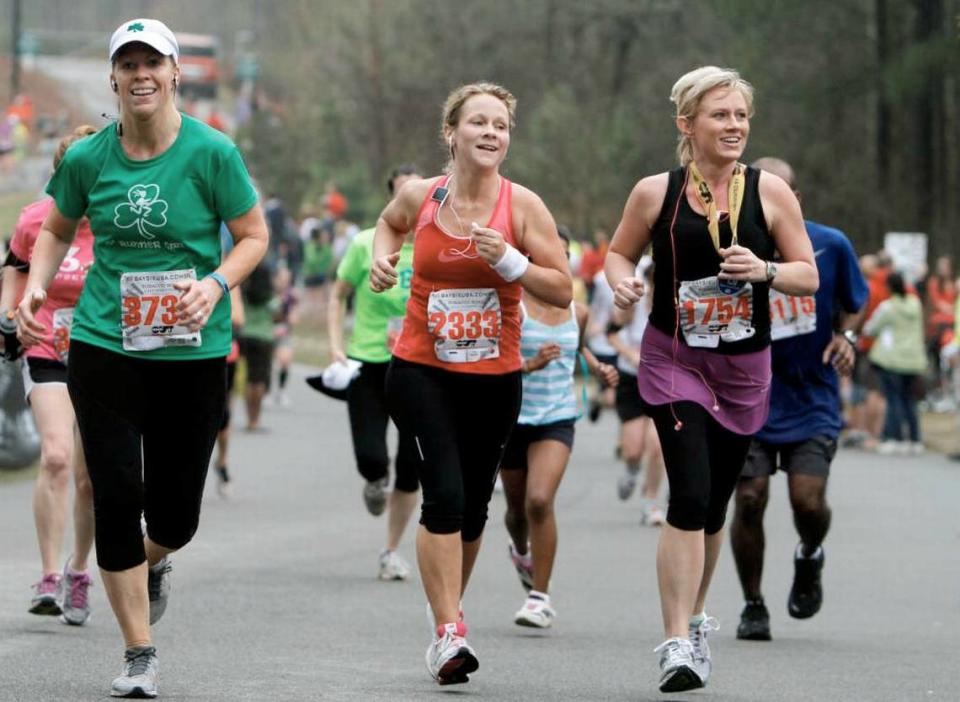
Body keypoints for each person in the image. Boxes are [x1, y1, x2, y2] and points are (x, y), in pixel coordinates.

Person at [15, 19, 268, 698]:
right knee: (117, 493)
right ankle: (138, 653)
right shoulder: (87, 158)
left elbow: (252, 236)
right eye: (127, 64)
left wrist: (215, 284)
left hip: (191, 350)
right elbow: (55, 229)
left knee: (176, 517)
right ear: (114, 80)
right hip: (103, 344)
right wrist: (38, 281)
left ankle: (153, 562)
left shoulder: (213, 153)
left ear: (175, 72)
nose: (140, 74)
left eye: (152, 61)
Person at [604, 66, 817, 693]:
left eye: (741, 116)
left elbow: (808, 274)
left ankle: (696, 618)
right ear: (687, 124)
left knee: (716, 504)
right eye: (720, 115)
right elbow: (620, 251)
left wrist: (768, 270)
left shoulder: (771, 192)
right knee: (689, 495)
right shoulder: (654, 192)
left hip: (744, 371)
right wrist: (623, 279)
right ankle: (675, 642)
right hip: (675, 359)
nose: (733, 126)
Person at [370, 82, 571, 685]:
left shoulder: (524, 206)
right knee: (447, 497)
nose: (490, 133)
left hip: (494, 374)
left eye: (501, 125)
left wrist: (509, 261)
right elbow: (388, 223)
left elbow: (561, 289)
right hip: (421, 370)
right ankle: (449, 632)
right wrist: (384, 259)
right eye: (478, 122)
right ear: (451, 133)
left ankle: (450, 615)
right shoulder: (422, 195)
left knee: (477, 509)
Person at [729, 157, 868, 642]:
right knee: (749, 497)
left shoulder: (830, 245)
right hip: (748, 393)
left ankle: (810, 553)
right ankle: (753, 604)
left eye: (776, 195)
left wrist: (847, 339)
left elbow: (854, 304)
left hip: (811, 396)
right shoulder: (729, 244)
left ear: (796, 199)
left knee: (807, 502)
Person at [1, 125, 98, 626]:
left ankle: (79, 571)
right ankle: (47, 576)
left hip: (103, 352)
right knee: (57, 456)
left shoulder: (116, 222)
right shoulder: (37, 219)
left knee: (89, 478)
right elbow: (15, 267)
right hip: (45, 346)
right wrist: (8, 316)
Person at [500, 230, 618, 628]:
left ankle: (539, 597)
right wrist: (528, 365)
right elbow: (493, 362)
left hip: (556, 416)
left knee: (538, 501)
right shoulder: (512, 305)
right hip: (512, 416)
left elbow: (576, 346)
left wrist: (598, 367)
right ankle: (520, 551)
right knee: (516, 510)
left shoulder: (577, 312)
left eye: (564, 254)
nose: (559, 261)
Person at [325, 164, 422, 580]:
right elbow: (337, 295)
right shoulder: (367, 244)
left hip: (420, 364)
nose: (409, 203)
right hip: (367, 359)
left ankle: (390, 549)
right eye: (401, 194)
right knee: (372, 456)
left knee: (412, 466)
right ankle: (373, 478)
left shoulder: (438, 245)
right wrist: (334, 348)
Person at [607, 259, 666, 526]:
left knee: (656, 446)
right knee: (633, 450)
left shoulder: (676, 303)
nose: (657, 285)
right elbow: (612, 334)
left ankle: (650, 501)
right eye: (653, 279)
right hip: (632, 380)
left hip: (663, 381)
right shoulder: (635, 303)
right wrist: (630, 353)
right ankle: (631, 470)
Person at [864, 271, 927, 453]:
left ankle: (893, 438)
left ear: (889, 287)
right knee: (910, 400)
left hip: (892, 359)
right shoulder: (915, 304)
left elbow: (871, 328)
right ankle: (915, 440)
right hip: (914, 359)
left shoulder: (888, 307)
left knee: (894, 399)